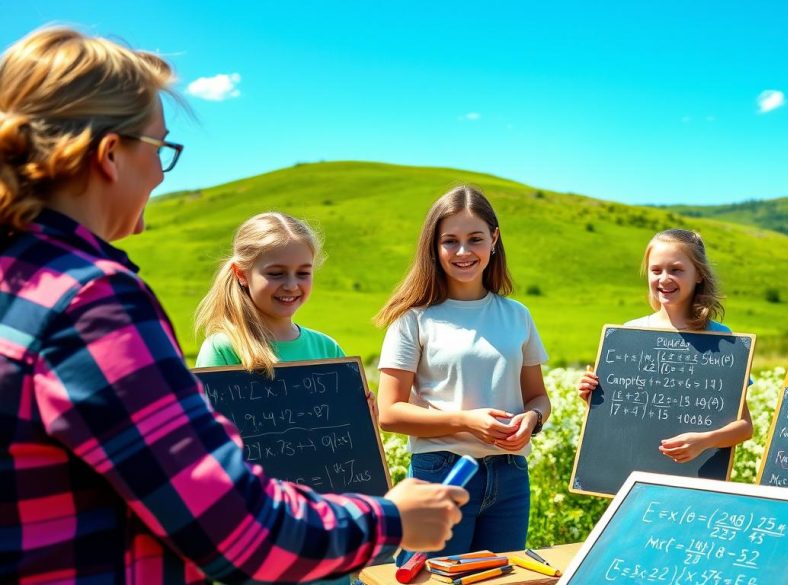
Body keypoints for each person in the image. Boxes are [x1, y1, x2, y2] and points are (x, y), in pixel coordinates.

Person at [0, 27, 465, 584]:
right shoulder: (90, 301)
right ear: (109, 156)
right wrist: (391, 520)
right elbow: (233, 528)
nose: (159, 173)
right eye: (160, 149)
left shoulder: (20, 282)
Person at [374, 186, 551, 559]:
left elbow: (538, 397)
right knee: (428, 581)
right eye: (449, 241)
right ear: (434, 248)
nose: (463, 252)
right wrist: (467, 422)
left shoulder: (517, 315)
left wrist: (532, 420)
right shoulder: (413, 320)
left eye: (475, 239)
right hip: (441, 473)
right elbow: (389, 413)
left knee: (502, 581)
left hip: (510, 476)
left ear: (494, 239)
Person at [577, 228, 753, 464]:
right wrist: (593, 395)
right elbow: (619, 416)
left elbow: (744, 427)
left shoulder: (722, 340)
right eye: (656, 270)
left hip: (696, 476)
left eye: (676, 270)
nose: (664, 278)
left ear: (699, 274)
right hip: (631, 472)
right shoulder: (629, 334)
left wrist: (704, 441)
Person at [193, 212, 376, 418]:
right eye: (276, 273)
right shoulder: (224, 349)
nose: (291, 285)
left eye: (303, 273)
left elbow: (347, 427)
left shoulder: (326, 348)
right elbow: (209, 429)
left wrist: (364, 414)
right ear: (242, 274)